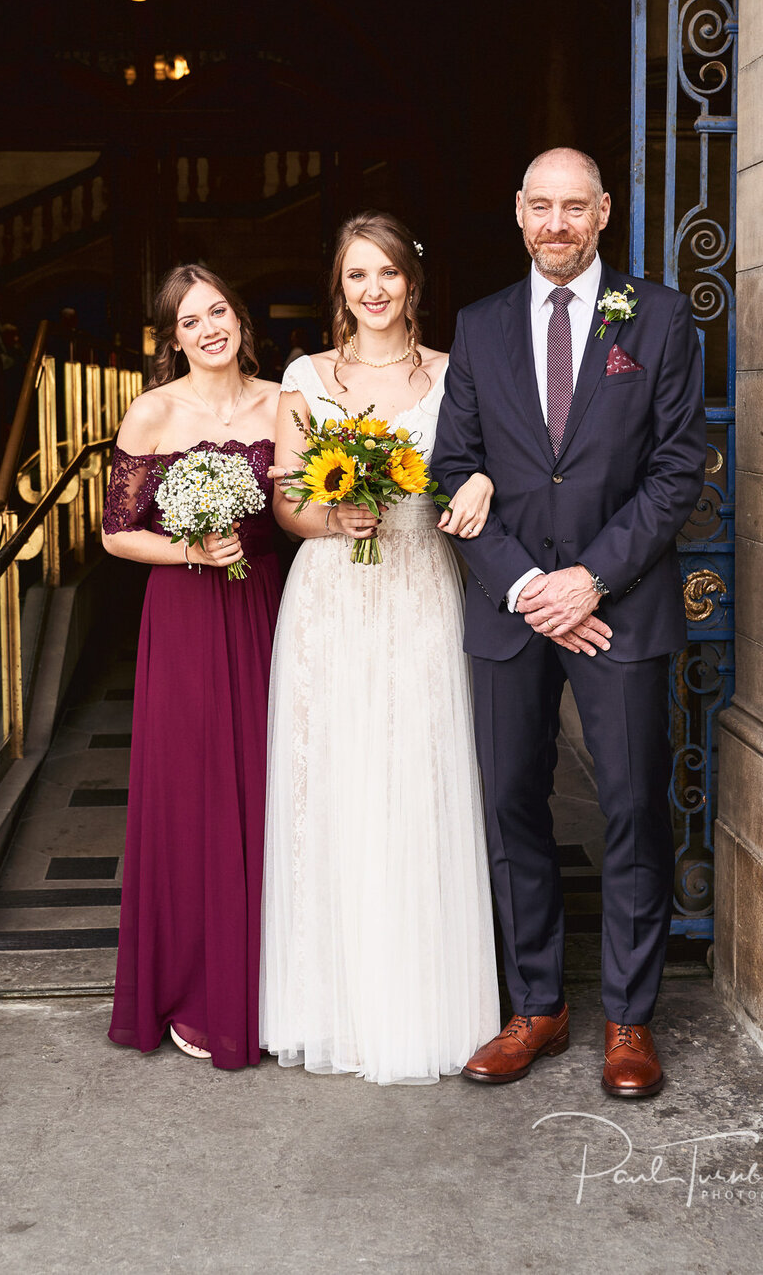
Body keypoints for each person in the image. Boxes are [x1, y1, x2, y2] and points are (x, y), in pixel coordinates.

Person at [432, 148, 706, 1097]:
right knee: (513, 807)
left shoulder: (660, 317)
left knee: (631, 807)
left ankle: (630, 1020)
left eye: (572, 207)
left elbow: (678, 470)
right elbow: (453, 469)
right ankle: (536, 1008)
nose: (556, 223)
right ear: (518, 214)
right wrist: (526, 588)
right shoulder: (478, 327)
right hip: (510, 611)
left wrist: (589, 579)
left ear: (602, 215)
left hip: (618, 605)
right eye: (539, 206)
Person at [261, 212, 500, 1085]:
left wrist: (472, 484)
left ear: (412, 284)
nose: (373, 290)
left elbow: (483, 465)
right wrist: (334, 514)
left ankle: (426, 1004)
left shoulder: (452, 373)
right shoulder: (304, 377)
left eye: (388, 274)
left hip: (421, 589)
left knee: (418, 779)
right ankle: (335, 1006)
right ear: (340, 287)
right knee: (336, 787)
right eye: (357, 275)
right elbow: (287, 503)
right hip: (331, 596)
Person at [103, 263, 281, 1070]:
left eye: (218, 310)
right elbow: (115, 532)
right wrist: (190, 548)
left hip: (270, 609)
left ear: (238, 316)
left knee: (273, 785)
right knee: (194, 791)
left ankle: (277, 982)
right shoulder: (152, 412)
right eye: (189, 321)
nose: (209, 328)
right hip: (183, 618)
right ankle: (196, 983)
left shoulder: (284, 400)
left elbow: (301, 507)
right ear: (172, 340)